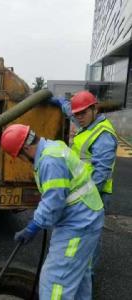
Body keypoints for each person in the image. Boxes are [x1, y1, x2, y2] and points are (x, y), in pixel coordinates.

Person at [0, 124, 104, 300]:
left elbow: (53, 202)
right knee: (78, 275)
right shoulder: (53, 147)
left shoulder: (49, 161)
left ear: (25, 147)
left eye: (19, 156)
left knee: (56, 279)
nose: (22, 160)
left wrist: (33, 226)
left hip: (78, 224)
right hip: (85, 218)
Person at [50, 91, 118, 275]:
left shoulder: (103, 135)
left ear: (95, 109)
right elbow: (69, 110)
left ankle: (88, 275)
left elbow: (101, 173)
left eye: (83, 113)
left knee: (90, 236)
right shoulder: (85, 121)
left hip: (96, 193)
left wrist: (81, 199)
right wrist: (57, 100)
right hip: (83, 189)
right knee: (80, 233)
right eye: (76, 113)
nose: (78, 117)